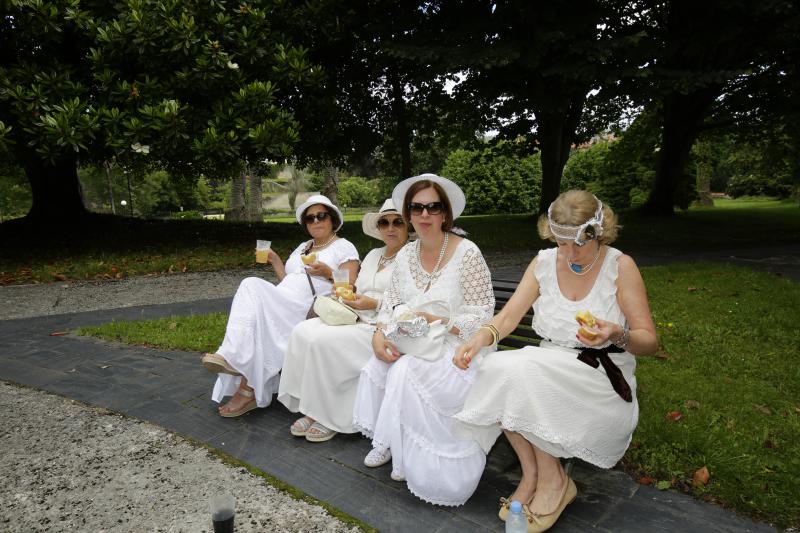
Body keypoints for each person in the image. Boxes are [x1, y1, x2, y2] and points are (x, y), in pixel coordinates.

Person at [452, 190, 658, 532]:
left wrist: (613, 334)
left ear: (599, 232)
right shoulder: (544, 262)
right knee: (499, 367)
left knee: (520, 372)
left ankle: (555, 483)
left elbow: (649, 341)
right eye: (561, 243)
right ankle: (532, 475)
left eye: (578, 244)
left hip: (598, 379)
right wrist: (479, 338)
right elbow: (507, 318)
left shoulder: (620, 267)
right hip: (547, 365)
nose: (570, 253)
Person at [352, 173, 495, 507]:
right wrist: (378, 333)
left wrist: (442, 321)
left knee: (404, 370)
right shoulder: (406, 255)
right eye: (417, 208)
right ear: (409, 214)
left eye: (433, 207)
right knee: (379, 360)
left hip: (460, 347)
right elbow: (389, 304)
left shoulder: (468, 253)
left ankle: (406, 454)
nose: (425, 215)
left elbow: (484, 314)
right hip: (414, 339)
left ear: (445, 213)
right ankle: (392, 440)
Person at [201, 195, 359, 418]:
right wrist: (275, 260)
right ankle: (243, 379)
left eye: (321, 216)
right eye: (310, 218)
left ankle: (237, 363)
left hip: (306, 307)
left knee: (250, 284)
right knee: (253, 299)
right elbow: (289, 280)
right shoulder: (303, 247)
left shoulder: (343, 246)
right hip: (284, 298)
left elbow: (349, 285)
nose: (315, 221)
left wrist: (327, 273)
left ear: (332, 219)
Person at [277, 199, 410, 442]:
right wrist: (346, 293)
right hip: (356, 313)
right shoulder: (372, 255)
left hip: (383, 324)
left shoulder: (412, 257)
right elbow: (354, 285)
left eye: (397, 222)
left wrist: (373, 303)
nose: (390, 228)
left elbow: (411, 301)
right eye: (384, 222)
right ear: (378, 228)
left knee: (325, 341)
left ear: (408, 226)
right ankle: (310, 405)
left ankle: (329, 416)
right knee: (303, 331)